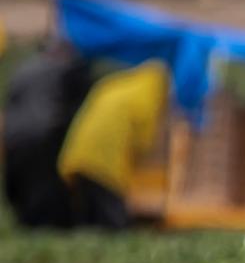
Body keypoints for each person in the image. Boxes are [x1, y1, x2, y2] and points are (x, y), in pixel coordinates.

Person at [57, 59, 169, 230]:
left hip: (77, 156)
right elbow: (142, 137)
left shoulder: (117, 85)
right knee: (113, 223)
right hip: (104, 163)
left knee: (89, 216)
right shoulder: (148, 94)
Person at [3, 39, 94, 229]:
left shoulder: (23, 69)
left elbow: (12, 102)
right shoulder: (70, 70)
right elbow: (80, 109)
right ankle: (52, 228)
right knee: (50, 188)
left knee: (23, 184)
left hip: (14, 134)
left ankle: (27, 226)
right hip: (48, 132)